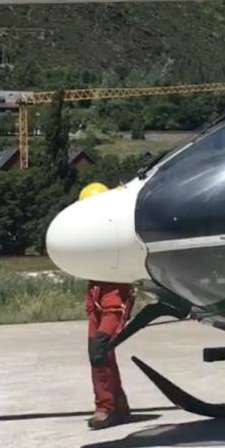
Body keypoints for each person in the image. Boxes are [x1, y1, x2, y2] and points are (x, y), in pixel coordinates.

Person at [79, 182, 136, 430]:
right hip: (96, 298)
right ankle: (117, 404)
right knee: (99, 354)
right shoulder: (90, 234)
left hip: (115, 298)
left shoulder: (116, 231)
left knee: (101, 350)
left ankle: (106, 408)